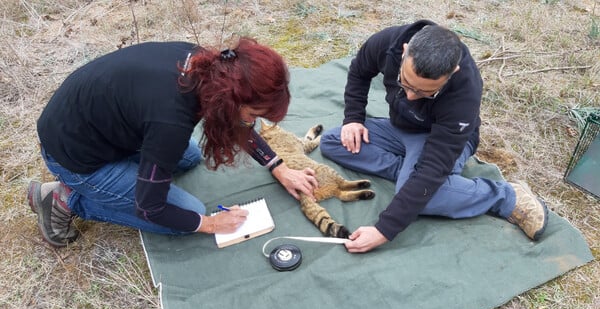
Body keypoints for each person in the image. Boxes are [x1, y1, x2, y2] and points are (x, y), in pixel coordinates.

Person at [27, 37, 318, 247]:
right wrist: (210, 224)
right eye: (254, 114)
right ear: (229, 100)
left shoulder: (211, 65)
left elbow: (238, 121)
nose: (252, 122)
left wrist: (278, 166)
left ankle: (117, 172)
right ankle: (66, 198)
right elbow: (150, 207)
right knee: (188, 215)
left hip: (94, 127)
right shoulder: (171, 121)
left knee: (188, 156)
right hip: (75, 158)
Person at [319, 20, 548, 253]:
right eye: (405, 82)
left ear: (452, 74)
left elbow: (433, 167)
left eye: (424, 92)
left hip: (439, 139)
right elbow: (359, 70)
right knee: (334, 142)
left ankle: (505, 196)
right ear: (405, 50)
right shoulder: (388, 42)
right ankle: (411, 178)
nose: (409, 96)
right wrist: (353, 118)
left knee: (426, 195)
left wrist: (383, 230)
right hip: (401, 128)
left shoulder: (465, 92)